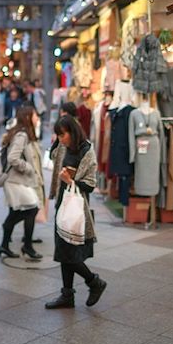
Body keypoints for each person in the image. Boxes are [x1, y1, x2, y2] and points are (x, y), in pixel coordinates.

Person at [45, 115, 107, 309]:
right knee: (63, 250)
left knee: (68, 253)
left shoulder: (86, 151)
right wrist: (56, 143)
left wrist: (70, 181)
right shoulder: (63, 146)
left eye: (62, 134)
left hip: (77, 206)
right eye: (58, 135)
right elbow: (52, 157)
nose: (61, 138)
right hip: (63, 203)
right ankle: (67, 295)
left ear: (72, 132)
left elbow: (90, 184)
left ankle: (94, 282)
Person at [0, 106, 44, 261]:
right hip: (15, 181)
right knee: (32, 208)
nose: (37, 118)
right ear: (28, 117)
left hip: (18, 180)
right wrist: (28, 168)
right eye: (35, 115)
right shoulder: (22, 135)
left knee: (17, 212)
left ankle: (5, 244)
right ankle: (27, 246)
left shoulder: (24, 133)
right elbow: (13, 158)